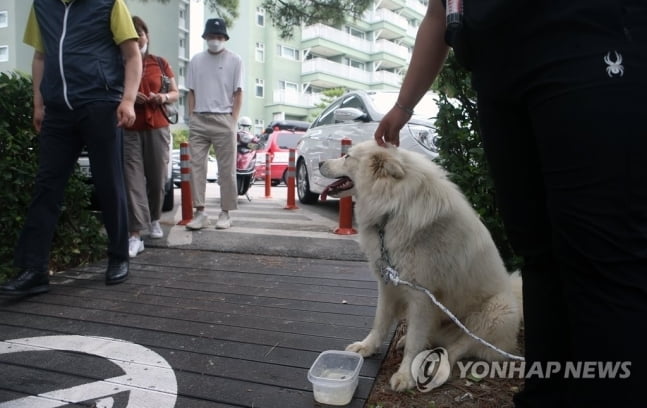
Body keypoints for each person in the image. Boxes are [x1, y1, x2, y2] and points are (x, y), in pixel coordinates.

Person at [374, 1, 647, 407]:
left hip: (586, 42)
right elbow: (438, 11)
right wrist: (402, 107)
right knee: (538, 252)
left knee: (601, 252)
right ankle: (545, 395)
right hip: (498, 71)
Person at [0, 0, 141, 296]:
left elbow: (131, 54)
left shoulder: (109, 4)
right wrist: (38, 103)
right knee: (46, 186)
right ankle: (34, 270)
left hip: (100, 103)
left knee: (108, 183)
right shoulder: (42, 6)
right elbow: (40, 57)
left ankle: (118, 256)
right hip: (58, 109)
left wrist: (127, 100)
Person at [124, 16, 179, 258]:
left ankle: (154, 219)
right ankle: (135, 234)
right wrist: (129, 96)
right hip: (129, 127)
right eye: (132, 37)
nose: (137, 40)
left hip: (157, 126)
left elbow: (175, 92)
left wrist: (162, 97)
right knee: (132, 180)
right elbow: (113, 90)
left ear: (147, 36)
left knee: (157, 179)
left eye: (141, 35)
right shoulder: (121, 63)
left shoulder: (160, 62)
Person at [185, 18, 243, 231]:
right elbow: (191, 91)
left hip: (223, 119)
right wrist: (192, 117)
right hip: (199, 118)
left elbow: (238, 93)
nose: (215, 40)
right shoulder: (196, 60)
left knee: (226, 170)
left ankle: (225, 213)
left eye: (219, 37)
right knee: (195, 168)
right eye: (212, 36)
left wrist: (232, 120)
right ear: (205, 37)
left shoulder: (235, 60)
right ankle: (200, 212)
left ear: (225, 38)